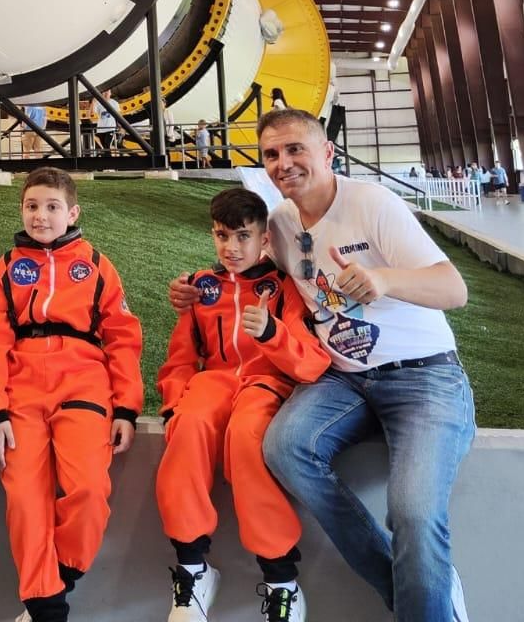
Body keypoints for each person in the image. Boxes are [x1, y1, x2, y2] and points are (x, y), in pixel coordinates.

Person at [170, 109, 473, 622]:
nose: (283, 163)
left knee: (413, 513)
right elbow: (246, 269)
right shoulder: (282, 222)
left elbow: (454, 290)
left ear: (327, 153)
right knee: (285, 449)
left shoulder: (372, 203)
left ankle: (430, 596)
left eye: (295, 149)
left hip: (424, 374)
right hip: (344, 381)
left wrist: (386, 281)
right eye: (271, 154)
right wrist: (192, 290)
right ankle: (422, 586)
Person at [0, 168, 143, 622]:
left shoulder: (96, 264)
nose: (41, 216)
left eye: (52, 207)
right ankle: (46, 607)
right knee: (25, 500)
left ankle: (60, 577)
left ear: (72, 213)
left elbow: (123, 338)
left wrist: (127, 406)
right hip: (21, 389)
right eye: (32, 206)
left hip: (84, 383)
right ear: (22, 210)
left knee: (89, 487)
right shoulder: (7, 266)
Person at [157, 188, 329, 622]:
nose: (231, 248)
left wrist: (271, 333)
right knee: (190, 424)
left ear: (264, 240)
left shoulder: (283, 287)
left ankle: (280, 580)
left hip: (264, 383)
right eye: (221, 236)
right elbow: (179, 358)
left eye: (242, 237)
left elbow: (310, 362)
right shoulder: (200, 287)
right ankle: (193, 571)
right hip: (212, 380)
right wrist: (174, 402)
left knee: (248, 435)